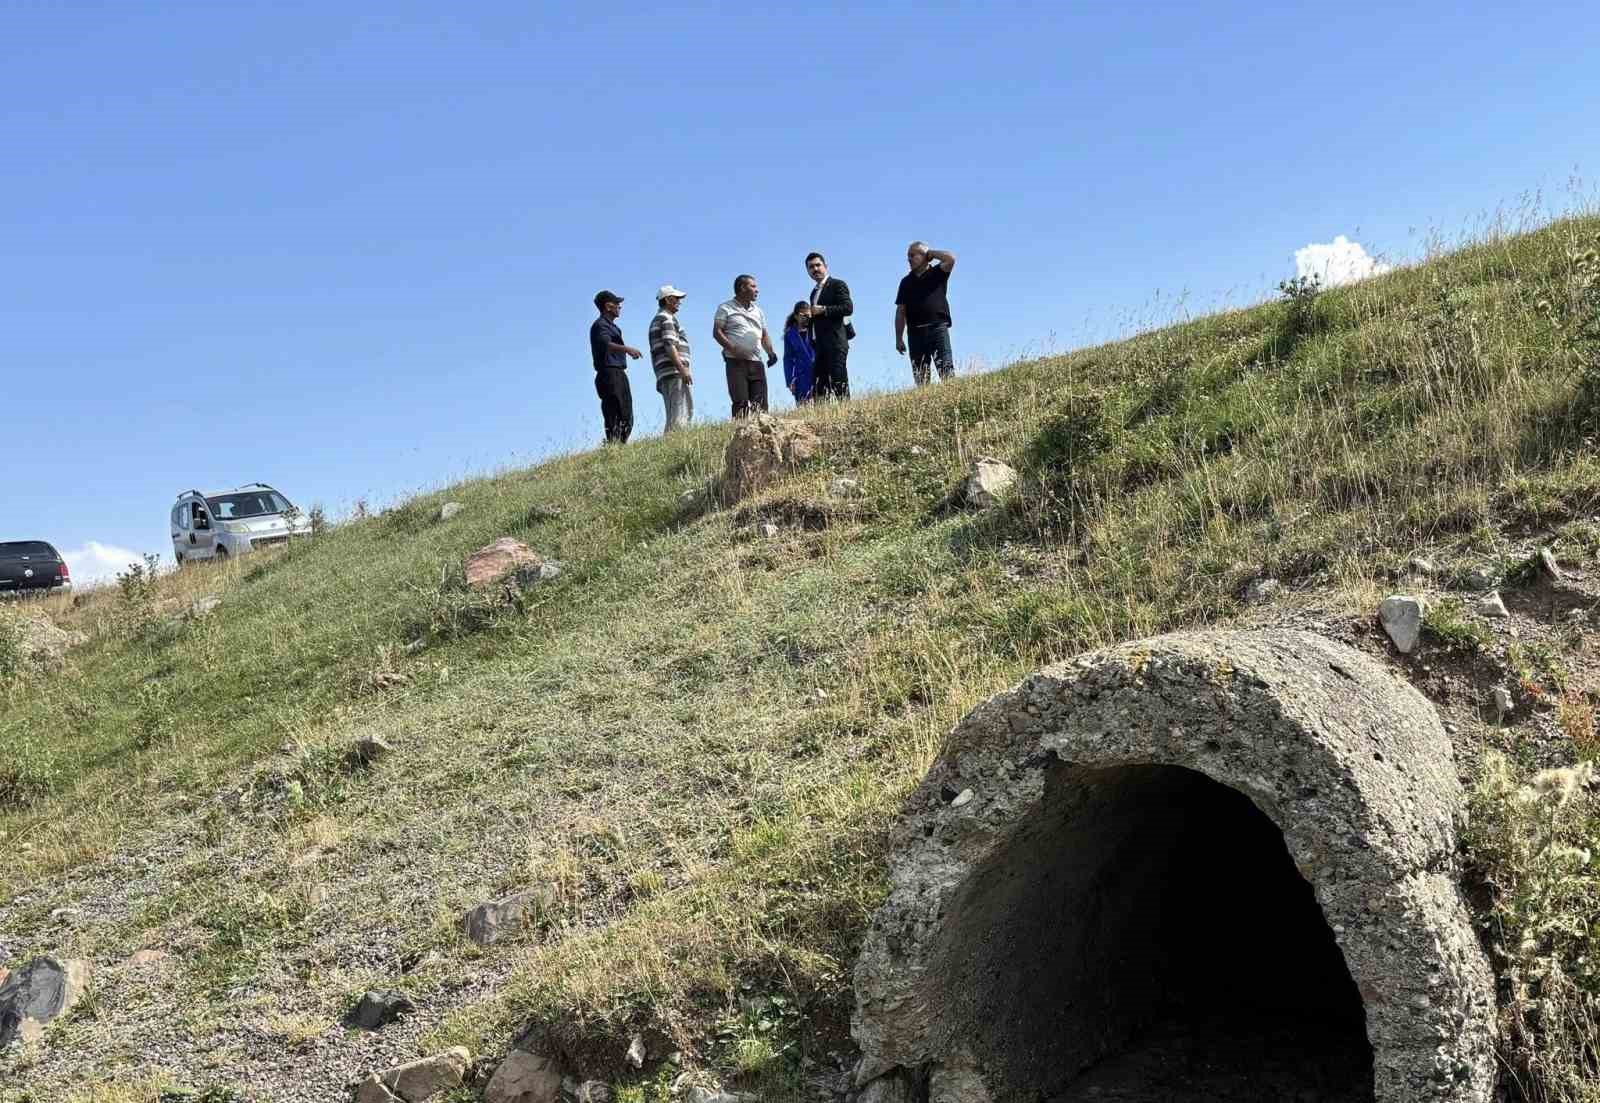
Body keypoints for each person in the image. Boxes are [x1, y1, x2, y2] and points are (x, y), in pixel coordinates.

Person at [713, 274, 778, 417]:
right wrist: (732, 348)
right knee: (740, 402)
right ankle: (741, 436)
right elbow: (717, 332)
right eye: (753, 286)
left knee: (760, 405)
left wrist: (771, 353)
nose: (757, 290)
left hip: (756, 362)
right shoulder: (725, 308)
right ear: (742, 288)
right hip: (735, 362)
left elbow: (764, 334)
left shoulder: (758, 311)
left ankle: (762, 436)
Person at [895, 242, 958, 385]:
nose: (909, 259)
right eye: (908, 256)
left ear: (924, 256)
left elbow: (951, 259)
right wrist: (899, 338)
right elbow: (900, 311)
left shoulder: (938, 272)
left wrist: (932, 253)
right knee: (921, 379)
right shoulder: (905, 282)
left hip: (937, 329)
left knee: (946, 372)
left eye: (913, 255)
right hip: (915, 333)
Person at [589, 290, 641, 443]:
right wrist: (628, 349)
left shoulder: (614, 328)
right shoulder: (600, 325)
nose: (620, 307)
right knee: (613, 411)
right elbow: (606, 344)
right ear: (608, 306)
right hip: (608, 373)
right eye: (617, 304)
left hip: (618, 372)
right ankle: (613, 445)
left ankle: (621, 445)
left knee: (626, 411)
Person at [804, 252, 852, 399]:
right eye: (811, 267)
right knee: (819, 386)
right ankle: (822, 418)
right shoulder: (813, 293)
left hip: (835, 341)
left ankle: (847, 414)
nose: (815, 269)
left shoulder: (837, 284)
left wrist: (824, 309)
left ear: (825, 266)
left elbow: (847, 308)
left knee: (839, 382)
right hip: (820, 345)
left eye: (818, 265)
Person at [648, 285, 694, 431]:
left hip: (666, 373)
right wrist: (682, 369)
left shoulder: (658, 319)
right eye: (676, 298)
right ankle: (678, 445)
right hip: (674, 372)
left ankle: (671, 445)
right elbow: (669, 345)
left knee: (673, 414)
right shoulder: (667, 318)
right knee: (681, 413)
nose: (679, 301)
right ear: (668, 300)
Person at [782, 301, 816, 403]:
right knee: (804, 407)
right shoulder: (790, 334)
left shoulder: (815, 329)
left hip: (818, 372)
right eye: (803, 315)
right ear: (796, 316)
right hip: (801, 377)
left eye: (808, 315)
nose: (806, 318)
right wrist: (790, 380)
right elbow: (788, 358)